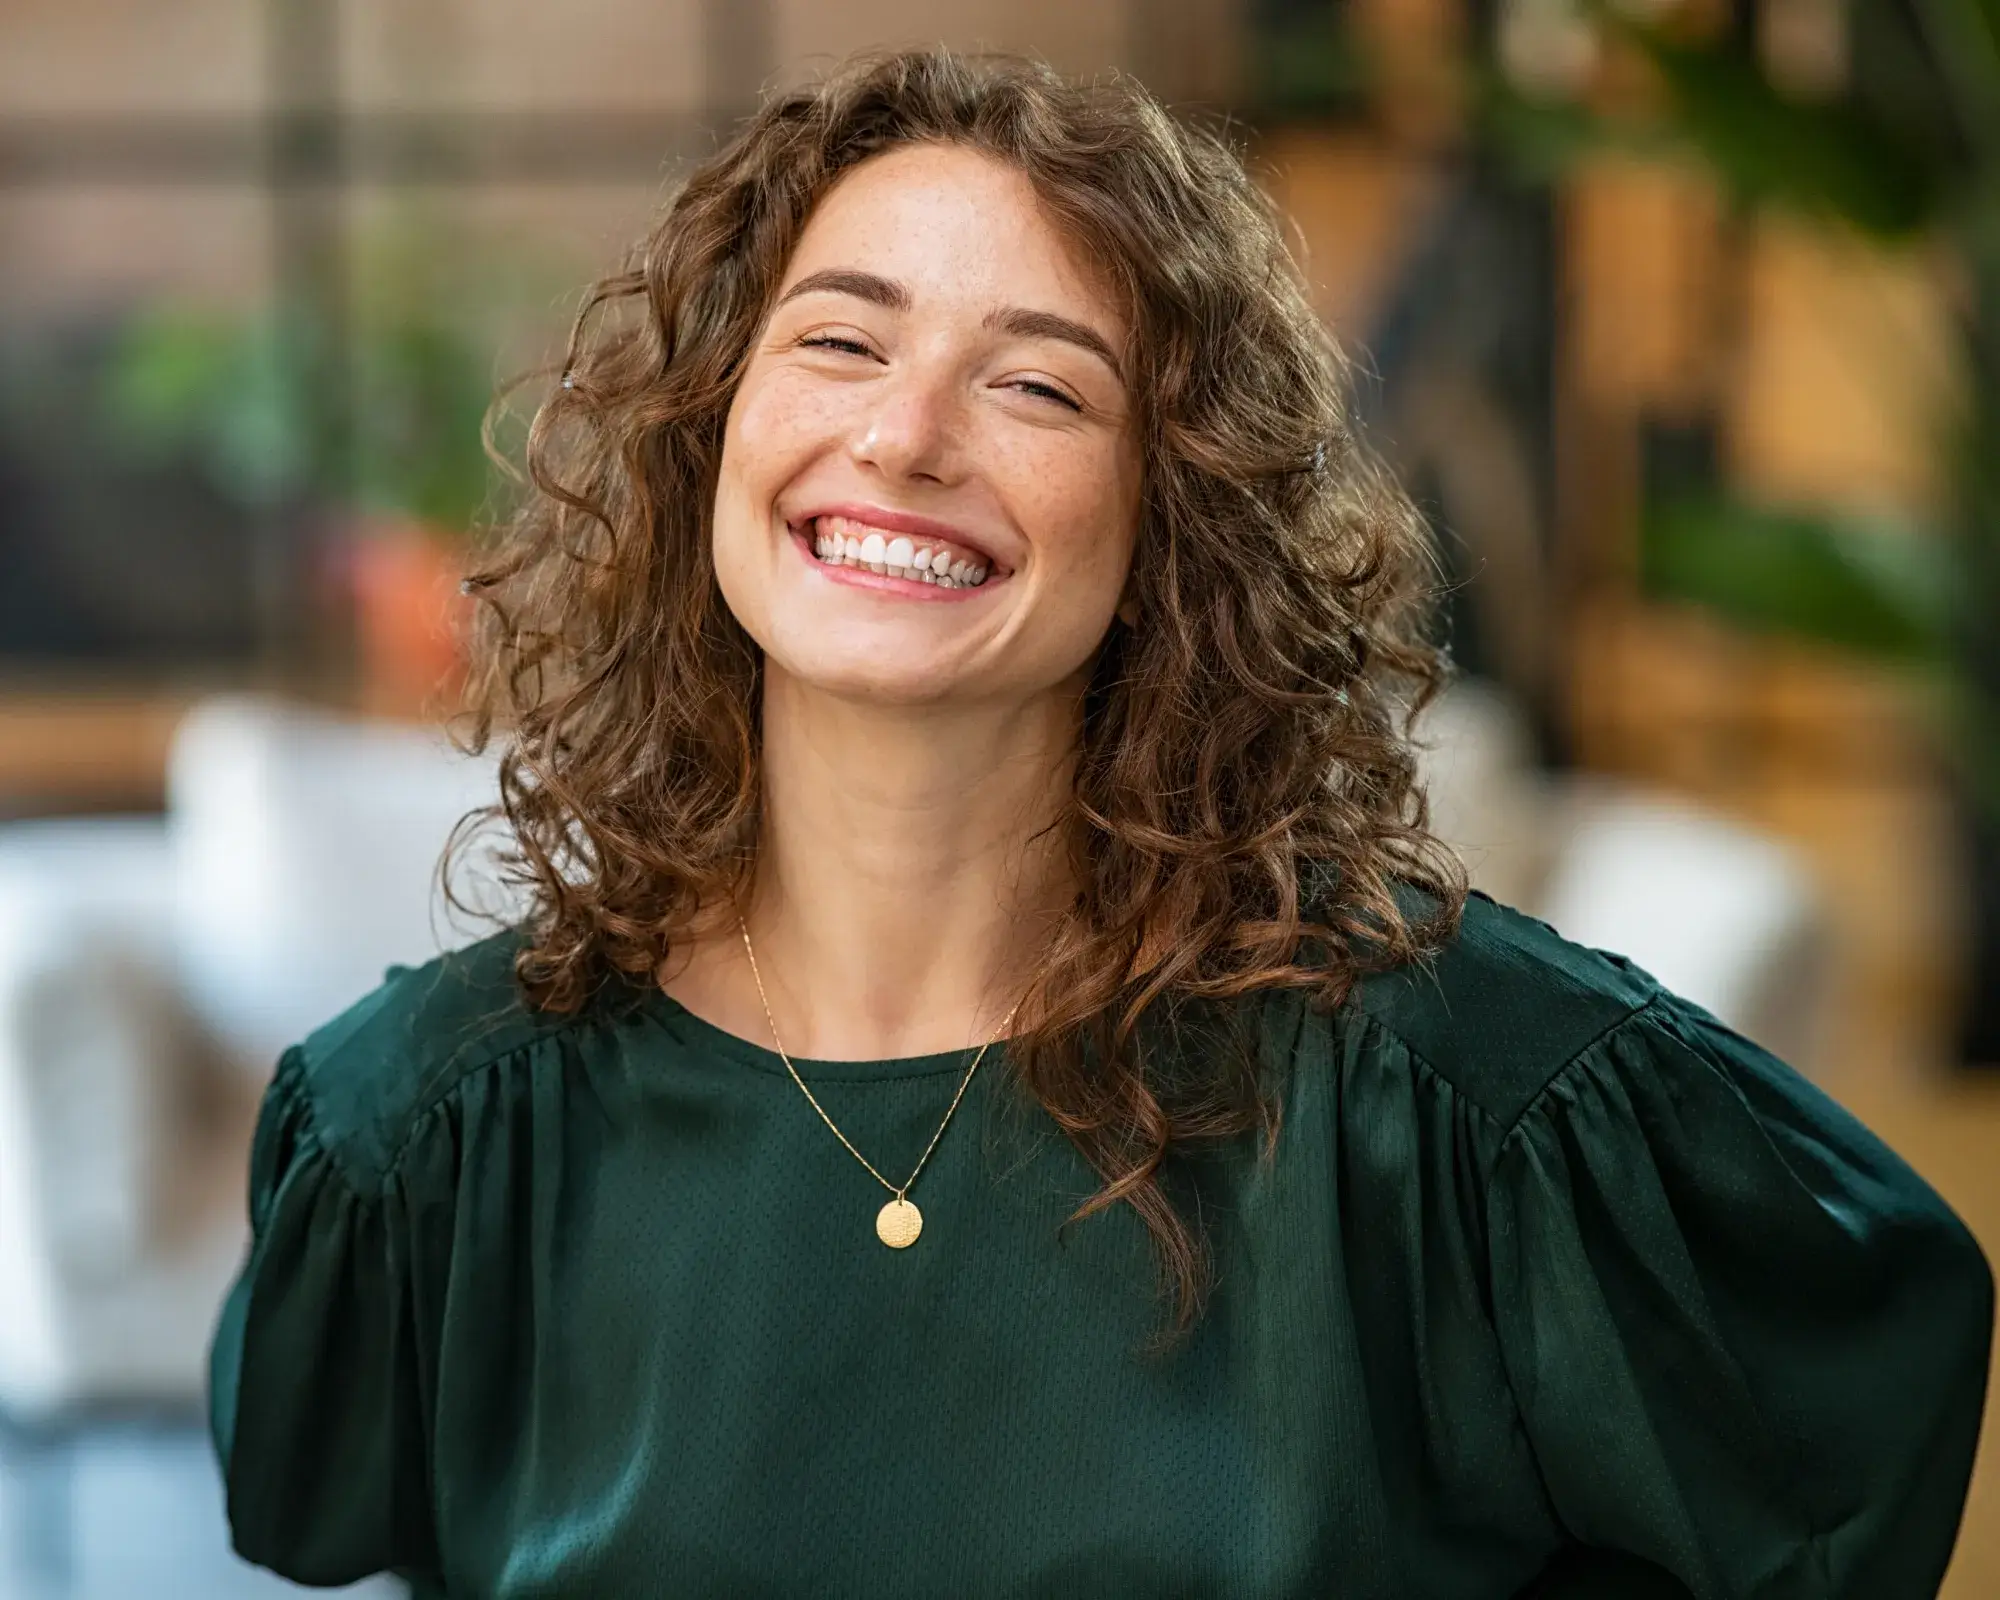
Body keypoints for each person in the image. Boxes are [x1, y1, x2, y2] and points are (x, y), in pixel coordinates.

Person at [207, 47, 1993, 1600]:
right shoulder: (428, 1136)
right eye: (840, 340)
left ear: (1173, 524)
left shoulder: (1454, 1099)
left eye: (1040, 381)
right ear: (710, 429)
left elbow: (1860, 1410)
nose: (905, 435)